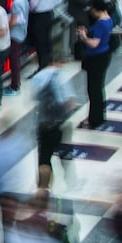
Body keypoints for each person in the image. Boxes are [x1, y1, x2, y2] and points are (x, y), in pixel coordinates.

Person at [32, 62, 76, 190]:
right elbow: (70, 102)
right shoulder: (60, 77)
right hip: (58, 125)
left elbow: (34, 98)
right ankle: (70, 182)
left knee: (44, 157)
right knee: (65, 155)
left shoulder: (38, 77)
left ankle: (44, 186)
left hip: (42, 124)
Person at [29, 0, 62, 71]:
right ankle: (48, 61)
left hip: (39, 16)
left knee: (40, 42)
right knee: (47, 40)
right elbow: (58, 0)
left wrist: (29, 10)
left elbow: (33, 3)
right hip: (50, 14)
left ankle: (42, 65)